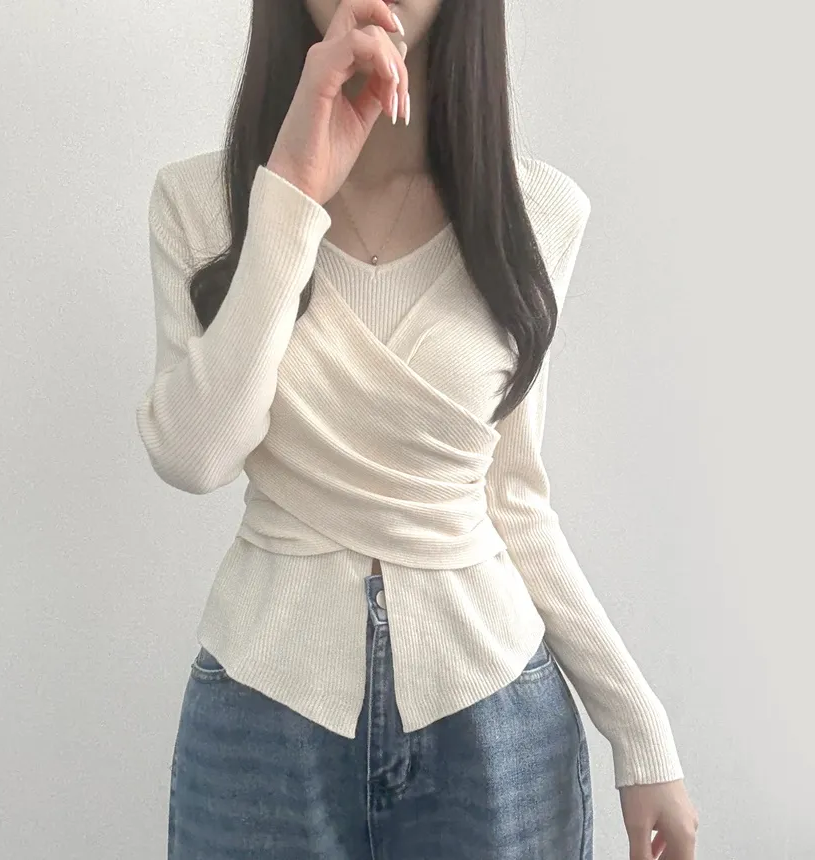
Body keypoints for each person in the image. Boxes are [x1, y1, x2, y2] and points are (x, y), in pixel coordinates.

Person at [136, 0, 699, 857]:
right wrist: (290, 192)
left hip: (491, 712)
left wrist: (640, 729)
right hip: (263, 709)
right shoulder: (196, 203)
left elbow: (514, 502)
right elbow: (196, 455)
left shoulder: (540, 211)